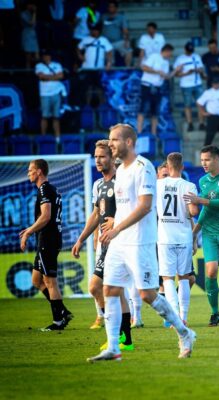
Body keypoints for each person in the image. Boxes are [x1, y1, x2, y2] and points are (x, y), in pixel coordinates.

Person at [87, 124, 195, 362]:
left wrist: (116, 228)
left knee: (147, 294)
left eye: (114, 139)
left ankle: (185, 333)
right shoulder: (121, 171)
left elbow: (145, 206)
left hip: (140, 242)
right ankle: (114, 347)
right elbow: (125, 206)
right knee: (109, 289)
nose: (110, 143)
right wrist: (114, 227)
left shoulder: (142, 167)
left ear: (128, 142)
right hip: (119, 242)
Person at [71, 141, 133, 351]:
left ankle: (118, 336)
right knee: (112, 290)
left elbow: (139, 207)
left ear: (112, 158)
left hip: (123, 242)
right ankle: (125, 339)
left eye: (102, 157)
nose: (98, 160)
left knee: (97, 287)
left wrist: (117, 221)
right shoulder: (99, 184)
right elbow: (97, 214)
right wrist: (81, 238)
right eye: (96, 157)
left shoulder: (122, 180)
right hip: (107, 245)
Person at [185, 146, 219, 327]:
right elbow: (206, 211)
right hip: (209, 233)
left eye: (207, 160)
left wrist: (199, 200)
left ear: (217, 159)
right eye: (202, 160)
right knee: (210, 271)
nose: (204, 163)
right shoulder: (203, 181)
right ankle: (214, 313)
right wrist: (194, 233)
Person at [20, 159, 72, 331]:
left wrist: (28, 231)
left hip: (48, 240)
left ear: (39, 171)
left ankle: (58, 321)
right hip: (48, 239)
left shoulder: (44, 189)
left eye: (30, 170)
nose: (28, 173)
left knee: (50, 281)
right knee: (36, 280)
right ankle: (63, 311)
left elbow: (46, 216)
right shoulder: (52, 189)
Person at [156, 152, 199, 326]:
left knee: (167, 279)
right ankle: (184, 316)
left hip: (165, 238)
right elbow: (194, 212)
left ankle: (173, 317)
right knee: (183, 278)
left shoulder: (158, 185)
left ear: (167, 165)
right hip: (184, 238)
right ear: (182, 167)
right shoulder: (188, 186)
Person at [137, 44, 179, 136]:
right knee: (143, 109)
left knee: (155, 111)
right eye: (170, 53)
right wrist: (157, 71)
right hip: (147, 86)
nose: (170, 55)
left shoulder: (166, 62)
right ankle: (139, 132)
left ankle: (154, 133)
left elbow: (167, 76)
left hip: (158, 87)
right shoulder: (154, 56)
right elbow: (144, 67)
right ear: (166, 51)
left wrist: (176, 70)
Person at [77, 23, 113, 109]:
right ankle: (87, 105)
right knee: (88, 88)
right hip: (87, 68)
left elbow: (109, 52)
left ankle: (102, 105)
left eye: (96, 30)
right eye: (93, 30)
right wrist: (80, 56)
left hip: (99, 68)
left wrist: (109, 63)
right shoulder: (85, 40)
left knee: (100, 88)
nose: (94, 32)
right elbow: (78, 48)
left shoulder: (103, 40)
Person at [175, 42, 206, 132]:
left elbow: (201, 68)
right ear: (185, 50)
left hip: (197, 83)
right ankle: (190, 123)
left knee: (200, 104)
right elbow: (176, 74)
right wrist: (187, 73)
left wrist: (199, 70)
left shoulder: (197, 56)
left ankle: (201, 123)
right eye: (188, 51)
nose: (190, 52)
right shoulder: (180, 59)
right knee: (187, 105)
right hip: (186, 85)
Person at [35, 50, 64, 139]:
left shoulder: (57, 65)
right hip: (45, 94)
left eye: (47, 55)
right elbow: (41, 77)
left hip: (56, 93)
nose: (46, 57)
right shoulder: (39, 66)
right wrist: (54, 77)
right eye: (44, 56)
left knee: (56, 117)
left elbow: (61, 76)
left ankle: (57, 138)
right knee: (45, 116)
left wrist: (48, 77)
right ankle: (43, 137)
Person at [102, 1, 131, 67]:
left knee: (129, 51)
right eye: (109, 7)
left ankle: (128, 69)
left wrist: (126, 41)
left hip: (118, 41)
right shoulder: (103, 17)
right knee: (108, 59)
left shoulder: (121, 17)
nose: (110, 8)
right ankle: (110, 72)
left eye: (112, 7)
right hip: (106, 42)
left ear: (116, 8)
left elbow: (125, 30)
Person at [21, 1, 38, 68]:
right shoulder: (23, 14)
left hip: (33, 34)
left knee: (36, 53)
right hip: (27, 34)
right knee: (28, 54)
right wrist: (34, 13)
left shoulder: (33, 13)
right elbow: (31, 23)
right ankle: (27, 70)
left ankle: (37, 69)